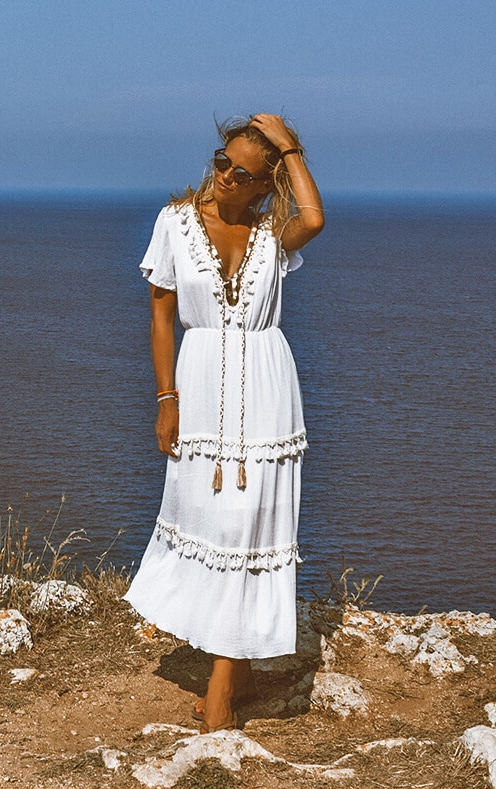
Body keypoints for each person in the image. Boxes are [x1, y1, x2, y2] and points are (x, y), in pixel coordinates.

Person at [124, 113, 324, 732]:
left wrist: (290, 148)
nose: (225, 176)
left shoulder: (271, 236)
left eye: (242, 172)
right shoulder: (174, 224)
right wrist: (166, 399)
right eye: (221, 161)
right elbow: (161, 317)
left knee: (253, 529)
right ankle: (220, 663)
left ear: (264, 185)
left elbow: (313, 218)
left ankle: (221, 692)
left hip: (268, 393)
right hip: (202, 387)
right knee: (213, 526)